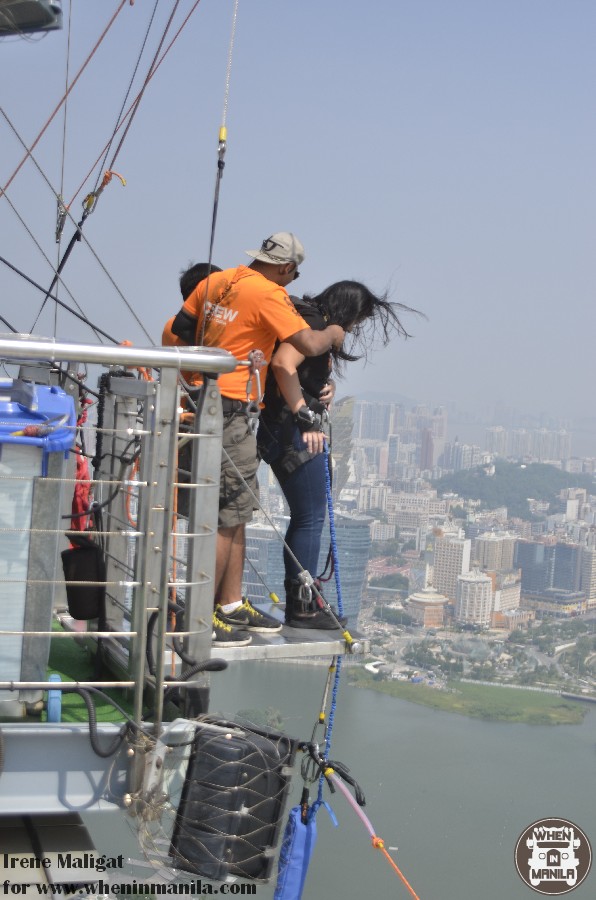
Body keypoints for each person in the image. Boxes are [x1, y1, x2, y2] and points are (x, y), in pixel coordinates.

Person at [162, 233, 346, 646]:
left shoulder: (218, 281)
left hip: (200, 401)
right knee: (228, 511)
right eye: (293, 274)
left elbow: (179, 329)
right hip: (229, 410)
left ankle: (228, 604)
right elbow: (307, 343)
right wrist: (334, 332)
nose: (291, 282)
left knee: (235, 509)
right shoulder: (269, 294)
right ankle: (204, 615)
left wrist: (218, 347)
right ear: (284, 268)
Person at [257, 280, 422, 628]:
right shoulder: (317, 326)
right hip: (294, 434)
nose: (355, 327)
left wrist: (321, 390)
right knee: (310, 517)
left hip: (282, 429)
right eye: (358, 319)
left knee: (309, 516)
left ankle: (303, 600)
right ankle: (302, 606)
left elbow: (292, 370)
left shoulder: (306, 321)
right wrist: (304, 412)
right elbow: (282, 364)